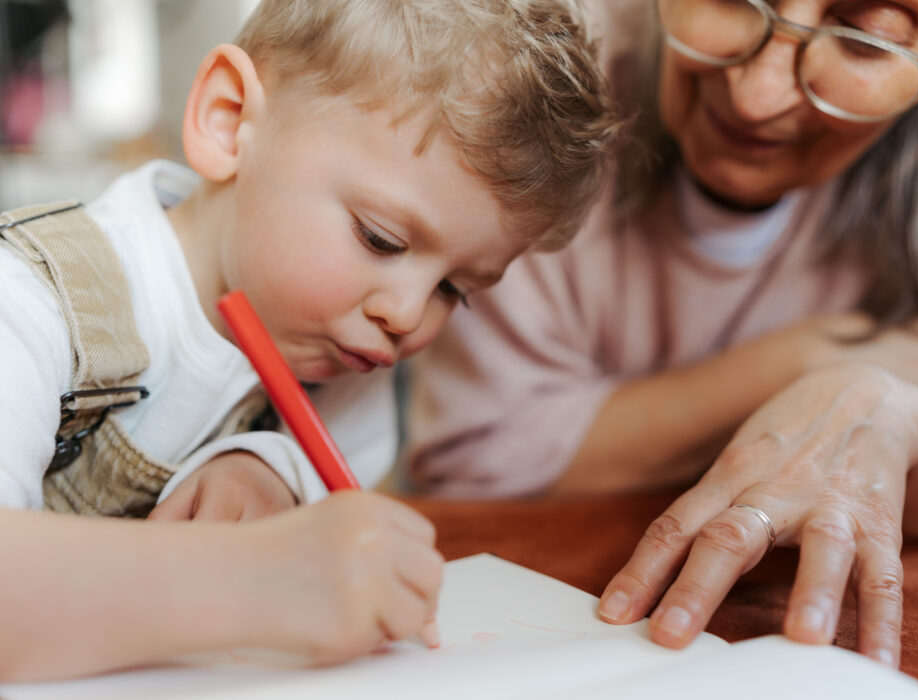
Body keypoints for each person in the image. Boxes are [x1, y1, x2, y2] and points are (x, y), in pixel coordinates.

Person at [0, 0, 619, 681]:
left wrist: (271, 469)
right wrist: (247, 578)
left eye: (455, 288)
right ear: (229, 120)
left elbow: (341, 511)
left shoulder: (345, 356)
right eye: (380, 239)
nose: (408, 316)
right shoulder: (31, 300)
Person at [406, 0, 918, 669]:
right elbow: (470, 460)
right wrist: (808, 361)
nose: (755, 97)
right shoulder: (543, 70)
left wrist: (894, 410)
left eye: (866, 42)